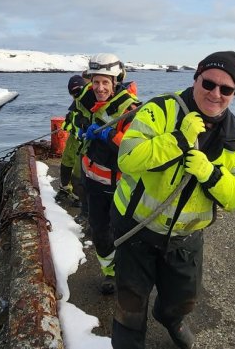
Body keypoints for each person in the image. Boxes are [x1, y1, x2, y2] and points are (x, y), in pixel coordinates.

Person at [110, 51, 235, 349]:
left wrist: (211, 174)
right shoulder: (160, 109)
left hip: (185, 239)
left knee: (182, 301)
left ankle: (170, 318)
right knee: (129, 308)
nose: (215, 94)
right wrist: (177, 138)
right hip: (137, 228)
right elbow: (127, 158)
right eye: (208, 83)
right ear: (196, 79)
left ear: (234, 94)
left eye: (226, 89)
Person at [77, 53, 140, 295]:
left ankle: (125, 272)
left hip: (119, 184)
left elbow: (135, 148)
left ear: (116, 82)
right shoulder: (91, 104)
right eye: (96, 82)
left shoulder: (131, 110)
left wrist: (107, 136)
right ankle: (109, 271)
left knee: (124, 231)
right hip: (92, 180)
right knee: (99, 228)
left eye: (105, 82)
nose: (100, 88)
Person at [56, 74, 89, 207]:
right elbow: (70, 122)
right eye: (73, 93)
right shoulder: (75, 105)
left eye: (77, 91)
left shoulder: (89, 103)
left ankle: (77, 197)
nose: (75, 95)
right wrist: (68, 124)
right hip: (73, 140)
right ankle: (64, 188)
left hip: (83, 143)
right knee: (66, 163)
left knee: (78, 171)